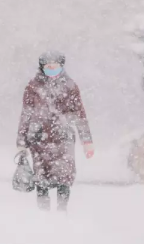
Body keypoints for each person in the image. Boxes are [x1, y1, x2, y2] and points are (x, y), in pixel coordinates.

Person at [16, 51, 94, 212]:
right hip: (39, 139)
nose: (52, 69)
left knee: (64, 178)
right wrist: (21, 143)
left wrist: (87, 141)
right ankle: (43, 214)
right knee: (41, 179)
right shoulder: (33, 87)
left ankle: (62, 212)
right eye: (48, 67)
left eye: (55, 66)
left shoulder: (70, 86)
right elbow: (26, 115)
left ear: (61, 66)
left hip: (63, 137)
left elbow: (80, 114)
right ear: (42, 67)